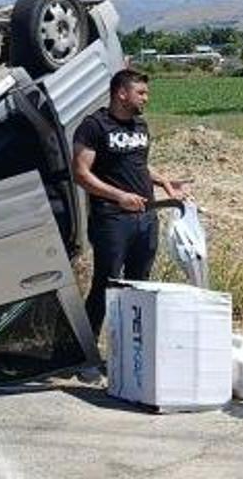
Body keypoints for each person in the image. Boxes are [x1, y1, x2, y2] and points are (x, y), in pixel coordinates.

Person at [72, 68, 184, 345]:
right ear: (122, 93)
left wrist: (164, 182)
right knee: (105, 284)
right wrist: (118, 196)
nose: (146, 98)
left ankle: (130, 351)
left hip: (146, 217)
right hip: (112, 219)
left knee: (140, 284)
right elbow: (81, 173)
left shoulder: (140, 126)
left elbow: (137, 164)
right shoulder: (94, 126)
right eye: (141, 93)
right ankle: (85, 353)